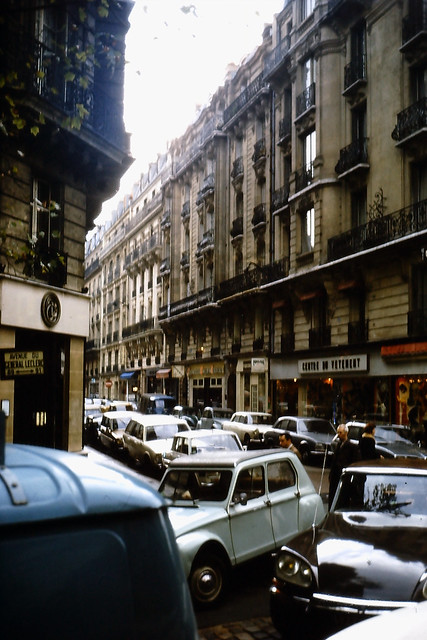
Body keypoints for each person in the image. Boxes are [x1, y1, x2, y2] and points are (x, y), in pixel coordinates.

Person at [328, 423, 360, 509]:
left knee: (343, 497)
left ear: (346, 433)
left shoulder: (352, 447)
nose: (338, 435)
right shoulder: (338, 445)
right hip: (335, 476)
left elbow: (354, 462)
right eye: (338, 432)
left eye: (340, 433)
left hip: (344, 476)